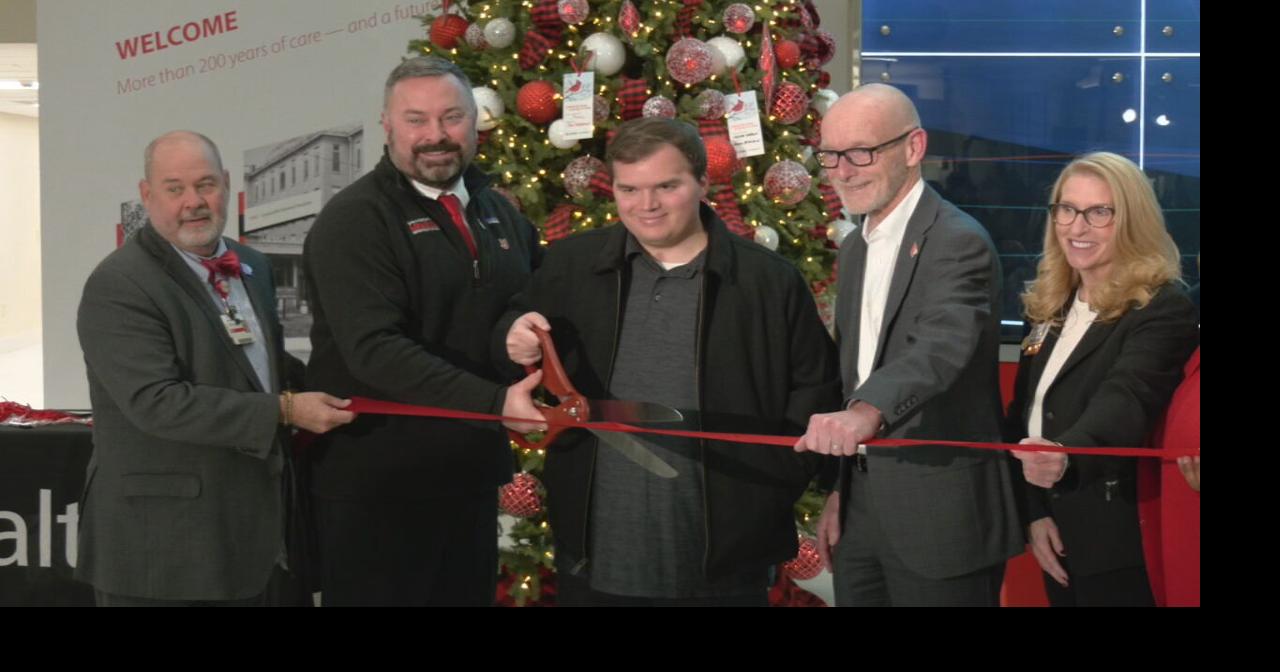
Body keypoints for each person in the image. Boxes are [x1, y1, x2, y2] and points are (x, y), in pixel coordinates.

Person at [498, 117, 841, 606]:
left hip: (727, 565)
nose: (647, 205)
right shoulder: (571, 265)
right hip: (595, 555)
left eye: (666, 186)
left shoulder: (769, 281)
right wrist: (509, 339)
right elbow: (511, 331)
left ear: (703, 182)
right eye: (629, 189)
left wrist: (767, 489)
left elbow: (816, 391)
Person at [302, 56, 544, 606]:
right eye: (416, 119)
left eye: (451, 117)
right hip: (378, 489)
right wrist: (495, 400)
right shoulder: (354, 220)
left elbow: (521, 301)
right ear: (386, 125)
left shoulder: (496, 213)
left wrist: (515, 329)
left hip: (468, 479)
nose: (435, 135)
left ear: (474, 121)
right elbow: (375, 351)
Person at [76, 130, 355, 606]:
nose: (194, 202)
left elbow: (258, 364)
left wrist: (349, 383)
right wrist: (286, 410)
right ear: (147, 195)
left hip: (258, 540)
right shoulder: (119, 284)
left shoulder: (251, 264)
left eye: (205, 184)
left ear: (227, 185)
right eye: (175, 188)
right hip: (163, 551)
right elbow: (156, 403)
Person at [795, 84, 1022, 607]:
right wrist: (838, 493)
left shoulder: (958, 239)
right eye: (830, 155)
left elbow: (940, 345)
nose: (842, 171)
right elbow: (851, 371)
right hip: (862, 514)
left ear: (914, 148)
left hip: (941, 517)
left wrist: (864, 412)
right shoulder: (853, 248)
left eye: (860, 153)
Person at [1005, 151, 1199, 607]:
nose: (1077, 227)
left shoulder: (1161, 308)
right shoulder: (1051, 303)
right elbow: (1024, 416)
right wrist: (1034, 512)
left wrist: (1065, 457)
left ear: (1132, 221)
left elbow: (1127, 399)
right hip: (1053, 528)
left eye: (1099, 213)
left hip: (1116, 542)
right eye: (1067, 209)